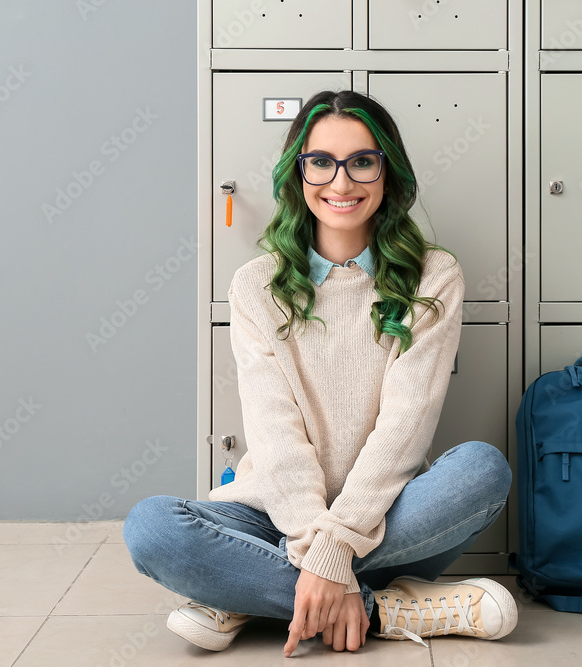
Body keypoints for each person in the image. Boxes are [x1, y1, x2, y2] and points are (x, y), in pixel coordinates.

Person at [123, 90, 515, 656]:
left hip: (388, 516)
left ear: (387, 171)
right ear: (297, 173)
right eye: (321, 162)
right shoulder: (257, 286)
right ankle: (382, 608)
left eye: (362, 161)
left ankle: (245, 591)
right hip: (274, 513)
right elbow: (275, 433)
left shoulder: (434, 275)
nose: (341, 182)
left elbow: (407, 424)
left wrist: (335, 547)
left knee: (482, 469)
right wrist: (316, 544)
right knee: (151, 528)